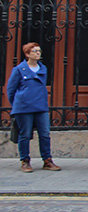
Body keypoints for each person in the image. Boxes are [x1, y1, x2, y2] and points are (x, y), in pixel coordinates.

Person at [6, 43, 61, 173]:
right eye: (35, 51)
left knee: (44, 134)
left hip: (40, 106)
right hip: (24, 107)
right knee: (24, 134)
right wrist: (17, 104)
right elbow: (10, 90)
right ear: (27, 54)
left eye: (39, 51)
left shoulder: (43, 69)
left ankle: (47, 160)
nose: (38, 53)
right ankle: (25, 160)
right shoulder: (19, 70)